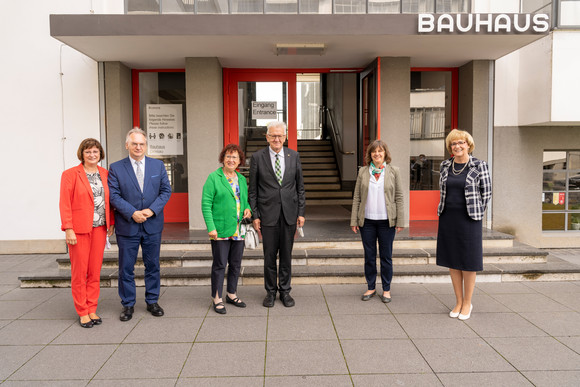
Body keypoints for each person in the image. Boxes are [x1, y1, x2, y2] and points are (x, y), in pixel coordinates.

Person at [108, 128, 172, 321]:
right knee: (126, 267)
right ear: (127, 145)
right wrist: (132, 213)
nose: (138, 147)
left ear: (146, 145)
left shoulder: (158, 166)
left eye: (141, 144)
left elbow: (165, 191)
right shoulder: (116, 168)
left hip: (152, 224)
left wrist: (152, 210)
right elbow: (114, 195)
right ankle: (128, 304)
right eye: (134, 143)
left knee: (152, 265)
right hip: (128, 225)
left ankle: (152, 301)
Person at [249, 121, 306, 308]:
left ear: (285, 136)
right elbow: (253, 190)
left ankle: (285, 291)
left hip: (289, 214)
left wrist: (301, 212)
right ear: (267, 137)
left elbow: (300, 187)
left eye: (280, 135)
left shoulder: (294, 156)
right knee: (269, 256)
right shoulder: (258, 157)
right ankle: (270, 292)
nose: (277, 139)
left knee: (286, 257)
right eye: (273, 135)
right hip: (267, 215)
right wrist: (255, 215)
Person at [436, 129, 492, 321]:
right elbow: (442, 191)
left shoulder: (479, 165)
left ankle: (468, 302)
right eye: (453, 144)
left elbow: (487, 193)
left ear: (468, 145)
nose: (457, 146)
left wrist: (477, 211)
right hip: (448, 217)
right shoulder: (445, 165)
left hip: (469, 220)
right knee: (453, 260)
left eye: (461, 143)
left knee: (468, 262)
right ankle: (458, 301)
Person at [59, 138, 114, 328]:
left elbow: (110, 201)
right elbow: (65, 203)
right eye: (88, 151)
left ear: (101, 154)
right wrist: (68, 228)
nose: (92, 155)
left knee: (94, 272)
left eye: (96, 152)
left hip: (99, 229)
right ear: (82, 154)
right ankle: (82, 311)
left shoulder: (105, 174)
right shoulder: (70, 174)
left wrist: (111, 224)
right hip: (79, 231)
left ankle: (92, 308)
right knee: (79, 272)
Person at [351, 140, 404, 303]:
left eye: (380, 151)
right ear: (370, 154)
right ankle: (371, 287)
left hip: (387, 221)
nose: (377, 154)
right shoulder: (363, 172)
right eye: (374, 151)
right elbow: (357, 197)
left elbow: (399, 197)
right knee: (369, 256)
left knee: (386, 256)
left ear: (385, 154)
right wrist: (354, 220)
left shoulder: (394, 171)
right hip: (366, 221)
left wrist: (400, 220)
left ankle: (386, 289)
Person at [201, 144, 252, 314]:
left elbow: (244, 201)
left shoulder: (242, 179)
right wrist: (211, 227)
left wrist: (248, 209)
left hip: (238, 229)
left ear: (240, 161)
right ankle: (216, 297)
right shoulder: (213, 178)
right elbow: (206, 204)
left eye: (235, 157)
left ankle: (231, 293)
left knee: (236, 264)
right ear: (223, 158)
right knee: (220, 264)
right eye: (228, 156)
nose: (231, 160)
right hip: (220, 229)